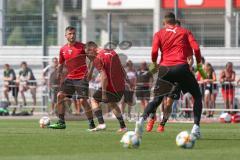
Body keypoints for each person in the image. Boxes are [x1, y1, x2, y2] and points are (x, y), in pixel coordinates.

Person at [135, 12, 203, 139]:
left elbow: (154, 51)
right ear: (175, 21)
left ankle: (141, 121)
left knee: (157, 100)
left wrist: (154, 64)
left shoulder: (159, 34)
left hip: (164, 68)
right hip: (181, 68)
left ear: (164, 23)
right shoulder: (185, 32)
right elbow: (197, 49)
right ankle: (196, 128)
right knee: (197, 96)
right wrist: (199, 65)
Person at [48, 26, 103, 130]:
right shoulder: (63, 49)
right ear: (66, 35)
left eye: (73, 33)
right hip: (70, 78)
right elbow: (61, 63)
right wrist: (59, 75)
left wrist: (90, 73)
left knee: (82, 101)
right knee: (60, 95)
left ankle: (91, 123)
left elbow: (92, 59)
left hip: (81, 78)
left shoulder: (82, 47)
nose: (72, 35)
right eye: (70, 34)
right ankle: (61, 122)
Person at [85, 41, 127, 132]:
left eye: (87, 54)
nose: (88, 57)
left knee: (94, 100)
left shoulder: (97, 58)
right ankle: (123, 127)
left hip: (110, 86)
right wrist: (127, 81)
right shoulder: (112, 52)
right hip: (120, 86)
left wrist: (103, 93)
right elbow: (122, 68)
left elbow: (104, 77)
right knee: (112, 103)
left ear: (92, 49)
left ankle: (101, 124)